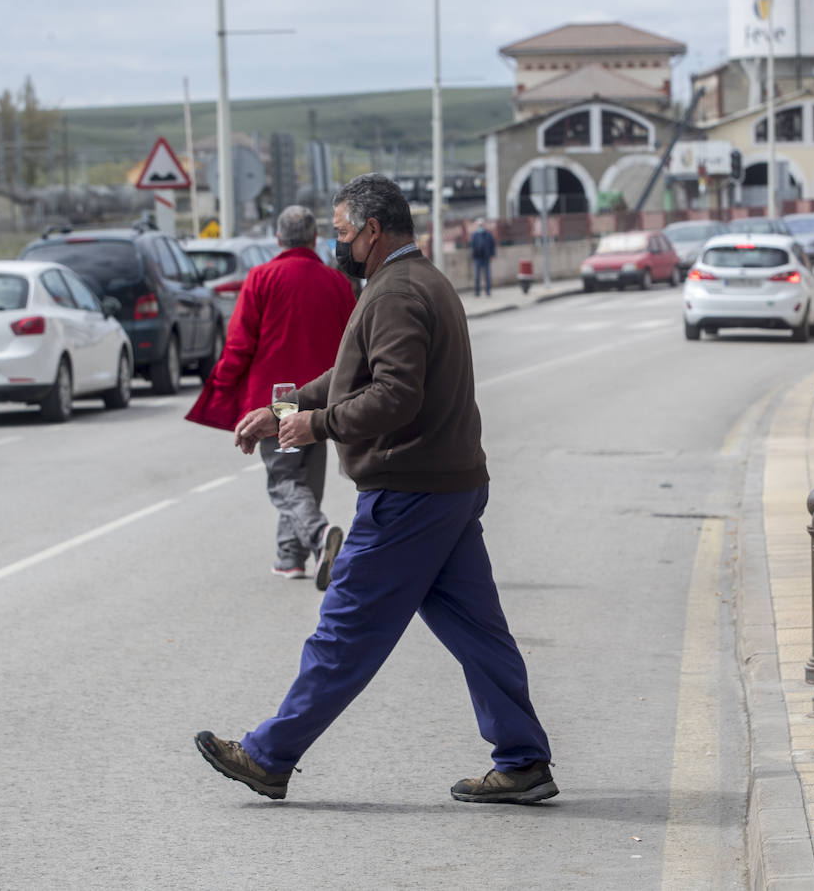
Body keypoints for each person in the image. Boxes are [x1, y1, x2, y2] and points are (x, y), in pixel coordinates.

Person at [195, 174, 556, 804]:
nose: (335, 243)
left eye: (340, 233)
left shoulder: (394, 293)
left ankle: (268, 754)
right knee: (479, 633)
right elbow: (350, 373)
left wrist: (316, 425)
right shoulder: (417, 281)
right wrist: (285, 410)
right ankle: (523, 760)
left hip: (409, 491)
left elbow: (394, 393)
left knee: (345, 628)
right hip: (448, 484)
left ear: (371, 230)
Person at [186, 206, 356, 587]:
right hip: (322, 397)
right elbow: (353, 345)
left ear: (278, 240)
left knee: (283, 480)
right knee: (307, 480)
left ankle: (317, 533)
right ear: (313, 240)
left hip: (276, 401)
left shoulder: (261, 278)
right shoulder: (337, 282)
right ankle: (289, 557)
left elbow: (239, 343)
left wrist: (222, 386)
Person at [470, 218, 496, 296]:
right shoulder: (475, 235)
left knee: (487, 276)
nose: (480, 226)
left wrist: (492, 255)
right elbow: (473, 246)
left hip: (486, 257)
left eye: (481, 225)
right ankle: (477, 292)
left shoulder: (488, 234)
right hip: (478, 257)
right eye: (479, 225)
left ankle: (488, 291)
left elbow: (492, 245)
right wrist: (473, 255)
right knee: (477, 276)